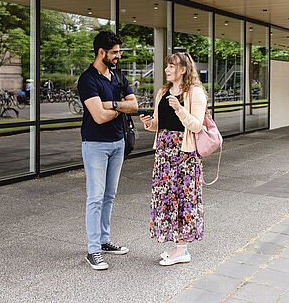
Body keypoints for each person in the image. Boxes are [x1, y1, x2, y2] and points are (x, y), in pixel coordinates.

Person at [77, 31, 138, 270]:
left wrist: (113, 104)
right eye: (114, 52)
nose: (118, 56)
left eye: (119, 52)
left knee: (109, 196)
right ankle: (93, 250)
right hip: (95, 144)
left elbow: (133, 105)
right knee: (95, 197)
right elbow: (99, 117)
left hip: (118, 141)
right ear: (101, 52)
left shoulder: (118, 76)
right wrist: (119, 108)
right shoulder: (87, 79)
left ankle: (104, 240)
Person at [139, 52, 207, 266]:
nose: (167, 70)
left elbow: (196, 125)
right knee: (167, 197)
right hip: (164, 152)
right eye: (167, 66)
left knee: (184, 199)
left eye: (172, 66)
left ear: (184, 70)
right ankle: (178, 247)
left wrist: (179, 109)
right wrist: (149, 123)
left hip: (184, 154)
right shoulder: (163, 91)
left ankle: (183, 250)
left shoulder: (195, 92)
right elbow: (160, 125)